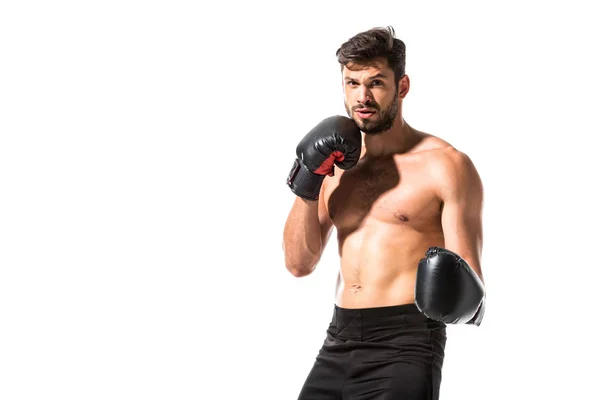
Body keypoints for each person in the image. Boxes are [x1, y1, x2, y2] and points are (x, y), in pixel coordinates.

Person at [282, 26, 486, 399]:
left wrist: (455, 292)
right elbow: (299, 264)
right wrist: (307, 179)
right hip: (338, 338)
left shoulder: (446, 166)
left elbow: (470, 283)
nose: (362, 97)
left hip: (404, 344)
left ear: (402, 87)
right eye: (352, 83)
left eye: (376, 83)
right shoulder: (335, 165)